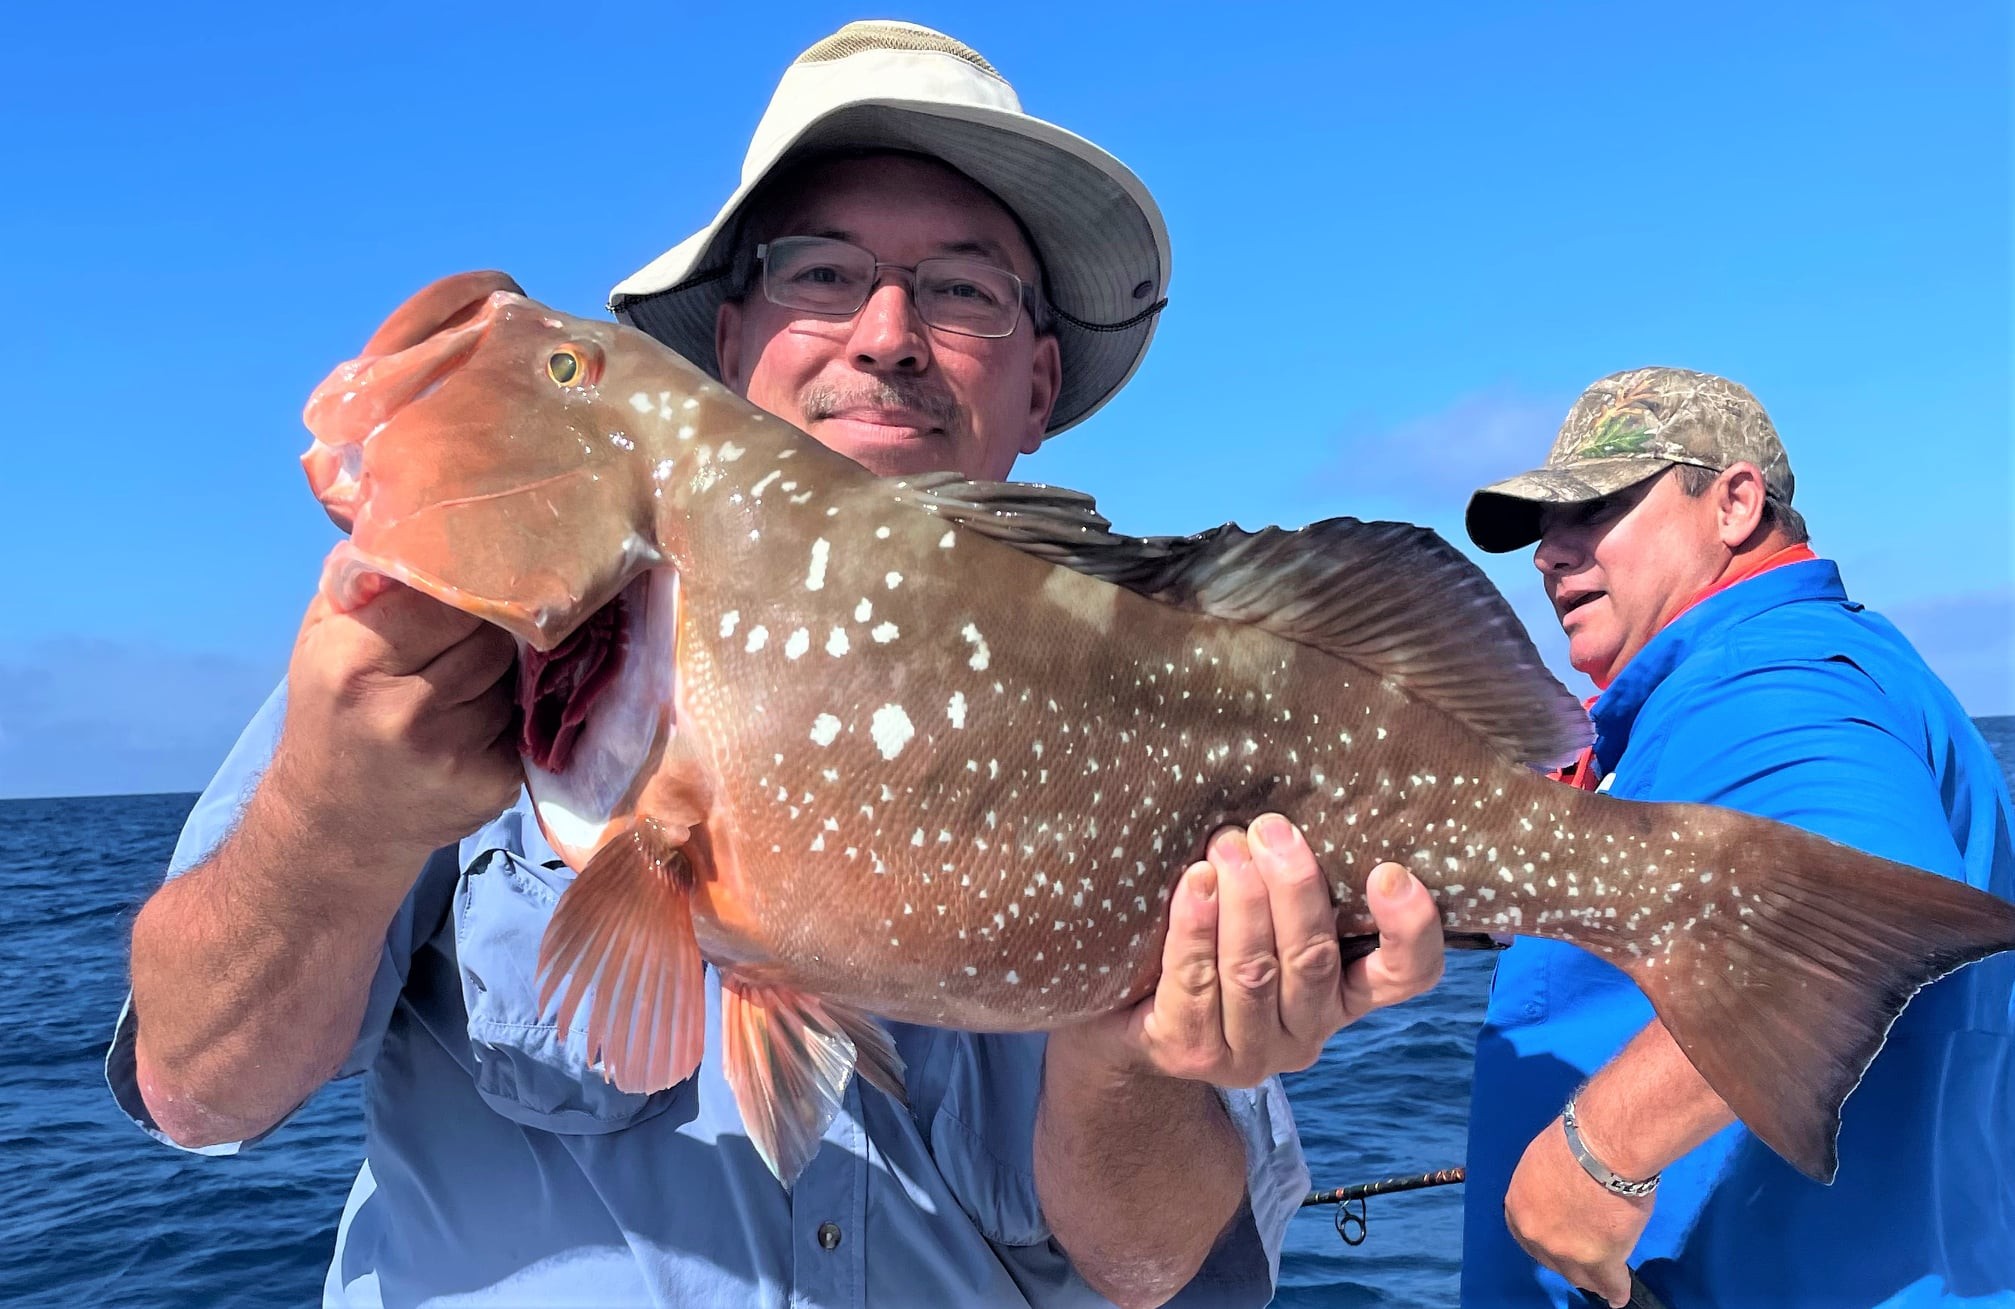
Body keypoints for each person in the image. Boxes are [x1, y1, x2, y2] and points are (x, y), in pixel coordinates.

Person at [109, 22, 1447, 1309]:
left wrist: (1124, 1056)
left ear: (1037, 385)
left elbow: (1158, 1272)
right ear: (727, 340)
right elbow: (202, 1090)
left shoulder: (1173, 688)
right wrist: (331, 823)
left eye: (962, 288)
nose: (884, 333)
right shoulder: (430, 655)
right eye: (818, 271)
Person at [1457, 366, 2015, 1307]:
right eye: (1544, 532)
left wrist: (1600, 1153)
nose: (1551, 554)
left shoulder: (1764, 672)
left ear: (1734, 502)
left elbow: (1849, 902)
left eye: (1592, 509)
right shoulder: (1806, 670)